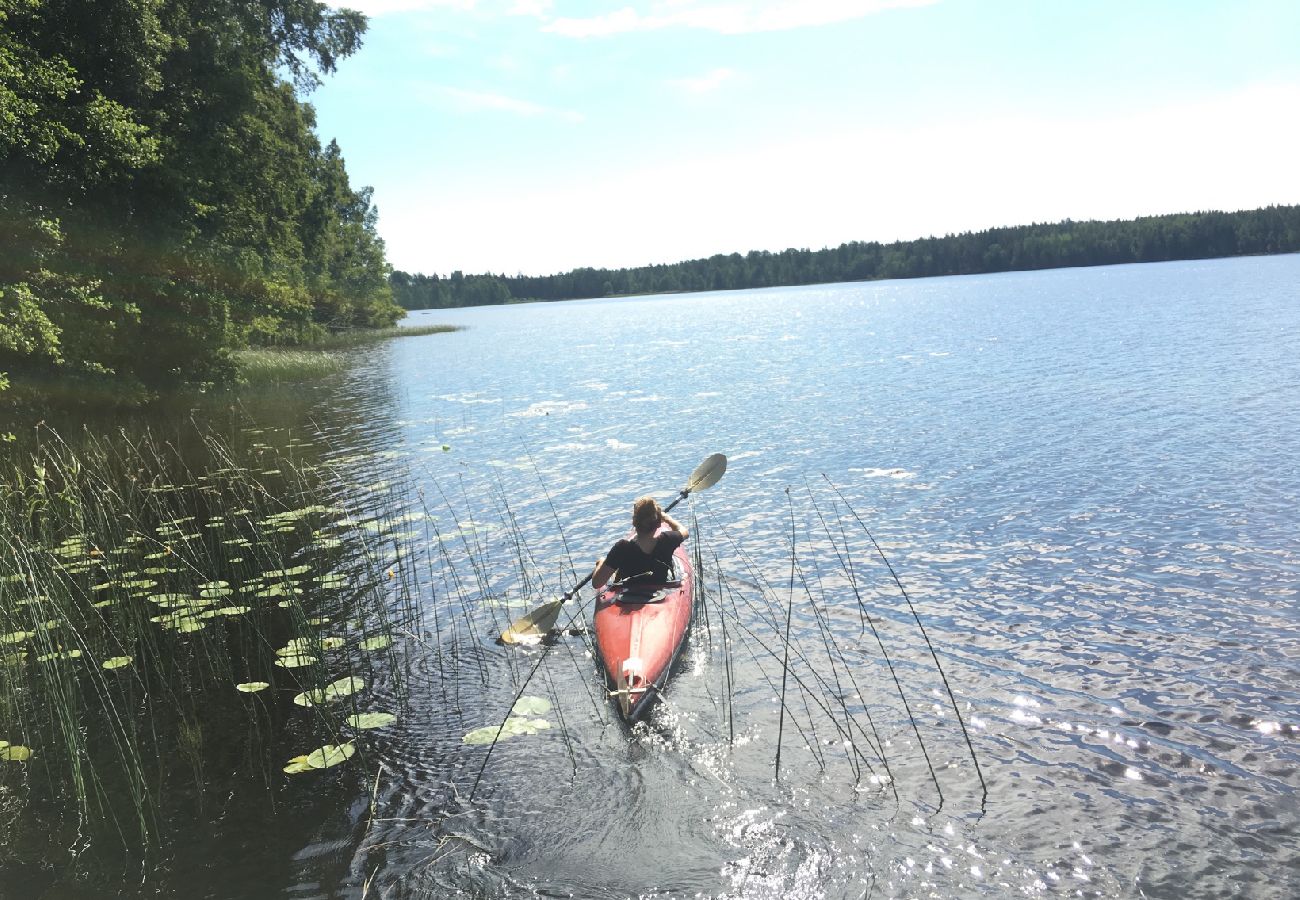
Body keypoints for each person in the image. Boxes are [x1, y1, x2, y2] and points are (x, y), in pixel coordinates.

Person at [591, 496, 689, 590]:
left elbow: (597, 584)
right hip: (659, 595)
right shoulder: (668, 540)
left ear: (634, 522)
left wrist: (601, 562)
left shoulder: (622, 548)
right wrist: (667, 518)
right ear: (659, 523)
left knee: (602, 562)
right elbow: (684, 531)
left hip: (629, 598)